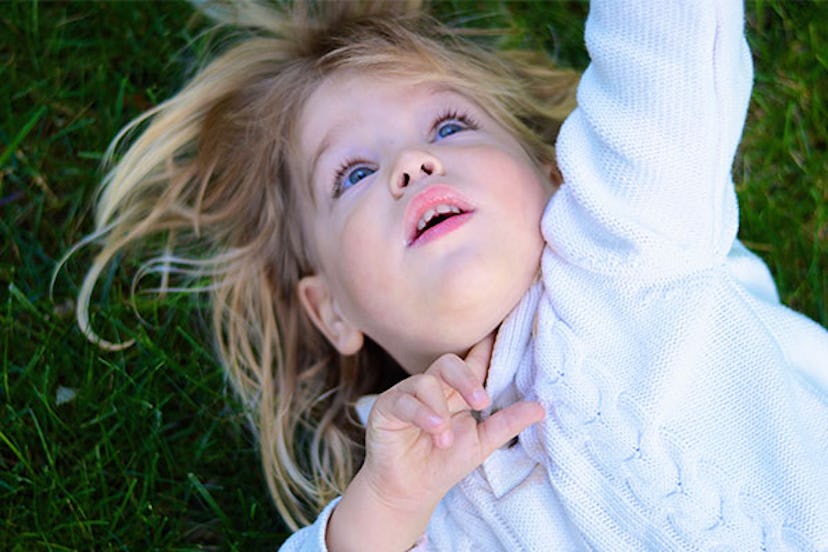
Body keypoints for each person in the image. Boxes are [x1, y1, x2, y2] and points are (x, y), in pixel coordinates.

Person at [76, 0, 828, 549]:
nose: (412, 163)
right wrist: (383, 513)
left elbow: (667, 39)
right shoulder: (424, 513)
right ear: (331, 308)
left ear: (551, 173)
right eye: (354, 173)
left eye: (449, 126)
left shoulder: (629, 239)